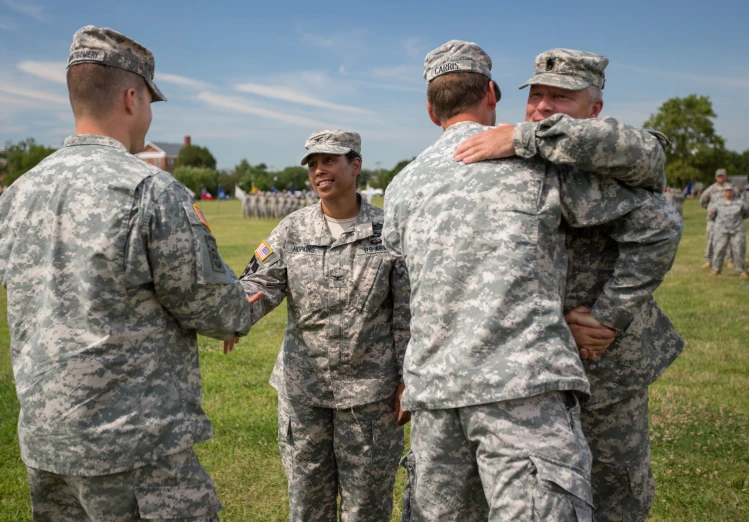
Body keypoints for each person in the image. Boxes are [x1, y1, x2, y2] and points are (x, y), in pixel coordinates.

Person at [383, 41, 682, 522]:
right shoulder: (515, 160)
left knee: (610, 497)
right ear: (494, 95)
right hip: (526, 370)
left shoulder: (577, 153)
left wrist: (608, 316)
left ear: (595, 108)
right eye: (535, 96)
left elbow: (652, 181)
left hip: (600, 367)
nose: (542, 108)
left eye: (559, 98)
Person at [0, 26, 259, 521]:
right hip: (133, 447)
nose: (149, 115)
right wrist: (243, 305)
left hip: (46, 441)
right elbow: (214, 307)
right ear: (132, 96)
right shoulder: (149, 190)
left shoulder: (19, 193)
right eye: (150, 103)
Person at [228, 130, 410, 522]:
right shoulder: (293, 229)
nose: (318, 170)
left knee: (367, 507)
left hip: (370, 397)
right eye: (312, 163)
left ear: (355, 165)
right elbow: (260, 283)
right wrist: (233, 315)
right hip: (303, 393)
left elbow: (405, 312)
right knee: (308, 505)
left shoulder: (388, 230)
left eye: (328, 160)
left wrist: (406, 377)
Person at [710, 183, 749, 277]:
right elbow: (712, 215)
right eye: (726, 190)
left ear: (733, 191)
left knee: (739, 249)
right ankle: (716, 269)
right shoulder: (717, 204)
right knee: (719, 249)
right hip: (721, 229)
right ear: (723, 192)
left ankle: (742, 270)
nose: (728, 192)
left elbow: (747, 213)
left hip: (737, 229)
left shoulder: (740, 203)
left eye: (730, 190)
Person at [700, 168, 732, 269]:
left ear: (725, 176)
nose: (721, 178)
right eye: (719, 176)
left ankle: (730, 260)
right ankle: (708, 260)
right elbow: (703, 201)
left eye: (722, 176)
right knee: (710, 239)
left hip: (727, 219)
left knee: (728, 240)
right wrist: (710, 210)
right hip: (713, 220)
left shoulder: (729, 188)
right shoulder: (711, 189)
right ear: (716, 177)